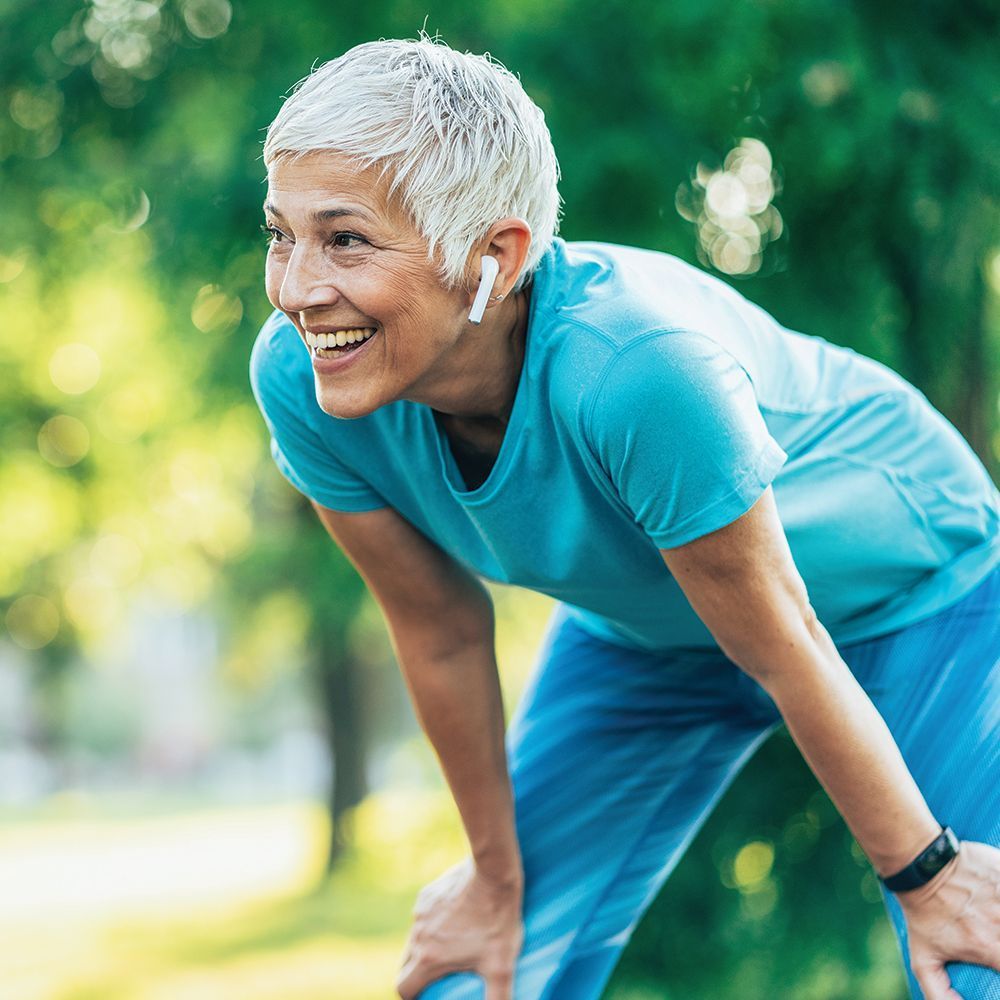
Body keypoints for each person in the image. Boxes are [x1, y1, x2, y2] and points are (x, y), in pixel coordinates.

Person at [249, 35, 1000, 1000]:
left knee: (975, 952)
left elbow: (782, 641)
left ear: (496, 252)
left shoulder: (637, 368)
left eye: (345, 239)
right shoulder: (305, 381)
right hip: (651, 635)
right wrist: (492, 879)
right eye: (282, 234)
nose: (298, 289)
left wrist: (929, 874)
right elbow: (437, 629)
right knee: (483, 973)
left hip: (915, 593)